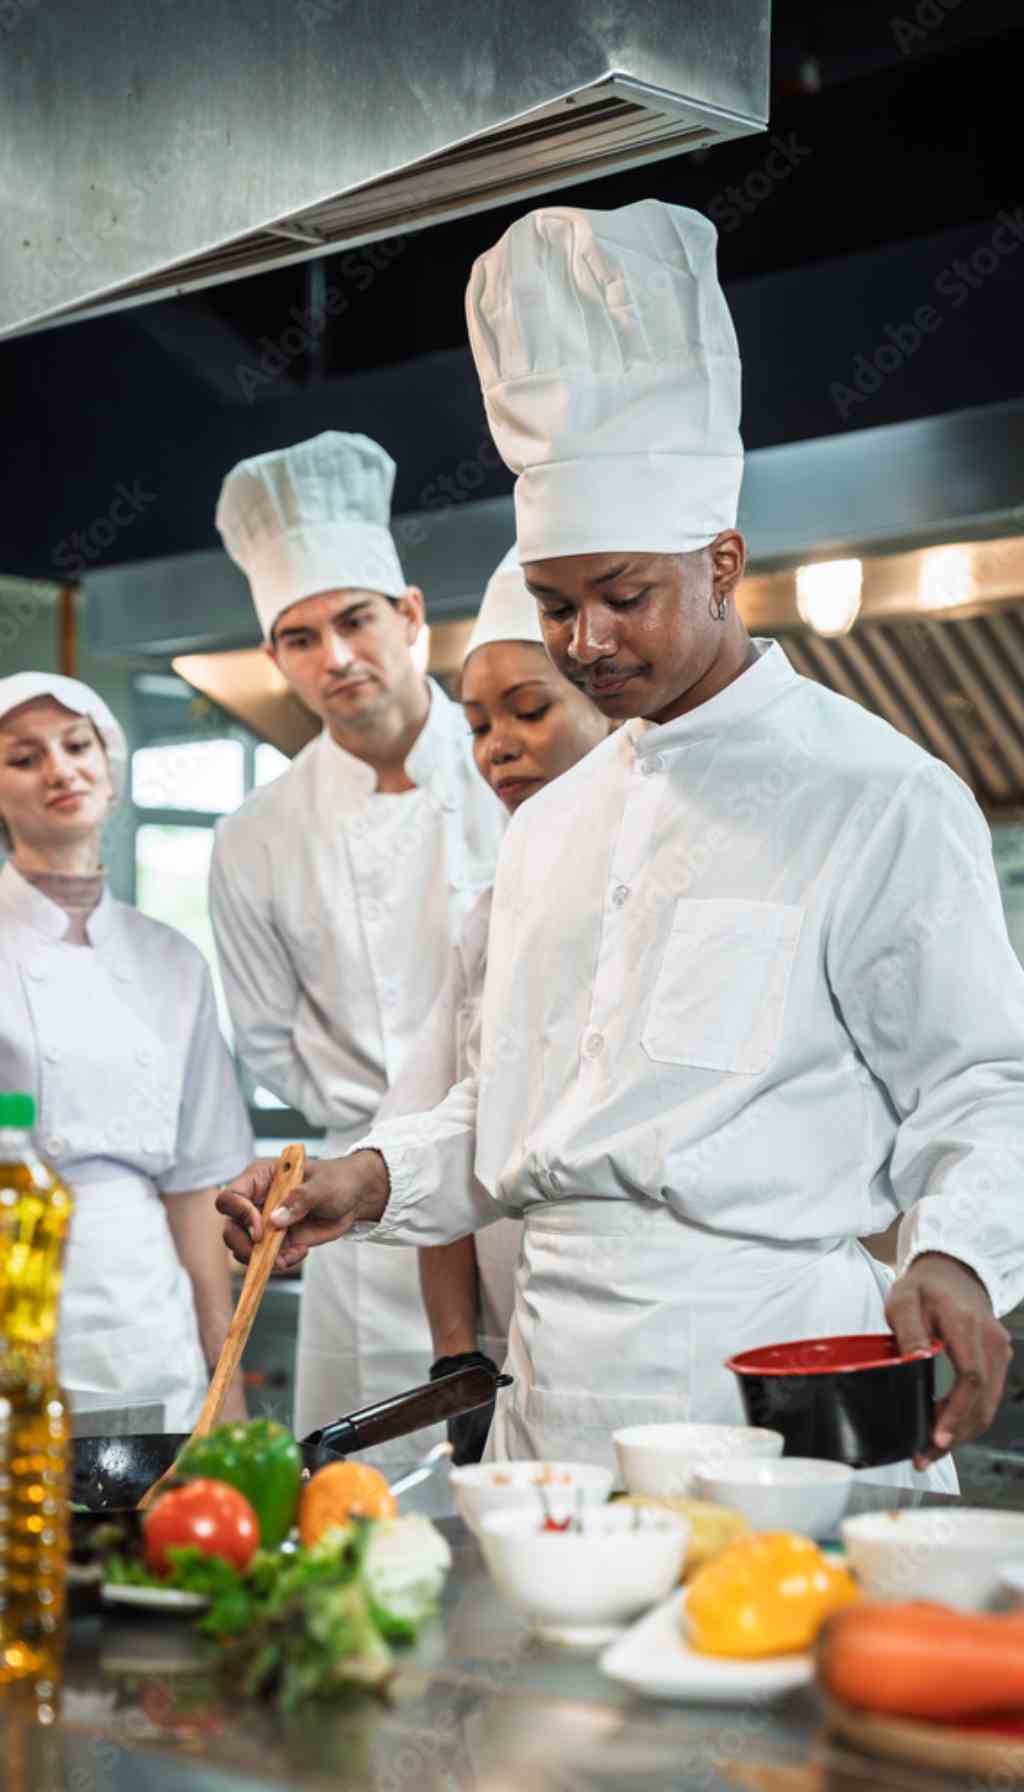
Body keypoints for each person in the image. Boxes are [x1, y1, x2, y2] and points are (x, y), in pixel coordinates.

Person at [219, 204, 1024, 1488]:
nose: (585, 641)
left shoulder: (875, 792)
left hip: (775, 1385)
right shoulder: (551, 830)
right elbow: (508, 1106)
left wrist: (959, 1253)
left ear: (721, 562)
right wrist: (366, 1179)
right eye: (554, 606)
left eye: (622, 598)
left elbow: (986, 1082)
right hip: (558, 1406)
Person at [210, 431, 506, 1460]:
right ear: (275, 659)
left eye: (354, 620)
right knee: (359, 1519)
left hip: (515, 1208)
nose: (333, 657)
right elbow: (266, 1036)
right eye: (299, 637)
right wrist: (374, 1126)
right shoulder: (255, 836)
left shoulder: (512, 772)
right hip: (353, 1230)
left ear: (412, 615)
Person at [373, 547, 611, 1460]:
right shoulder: (489, 921)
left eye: (529, 709)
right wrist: (453, 1359)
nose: (496, 747)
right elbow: (448, 1130)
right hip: (519, 1352)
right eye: (476, 724)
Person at [0, 672, 251, 1427]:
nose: (60, 769)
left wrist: (225, 1376)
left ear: (109, 770)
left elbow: (198, 1182)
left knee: (155, 1532)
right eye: (24, 756)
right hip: (18, 1287)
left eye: (78, 746)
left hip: (147, 1307)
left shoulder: (173, 961)